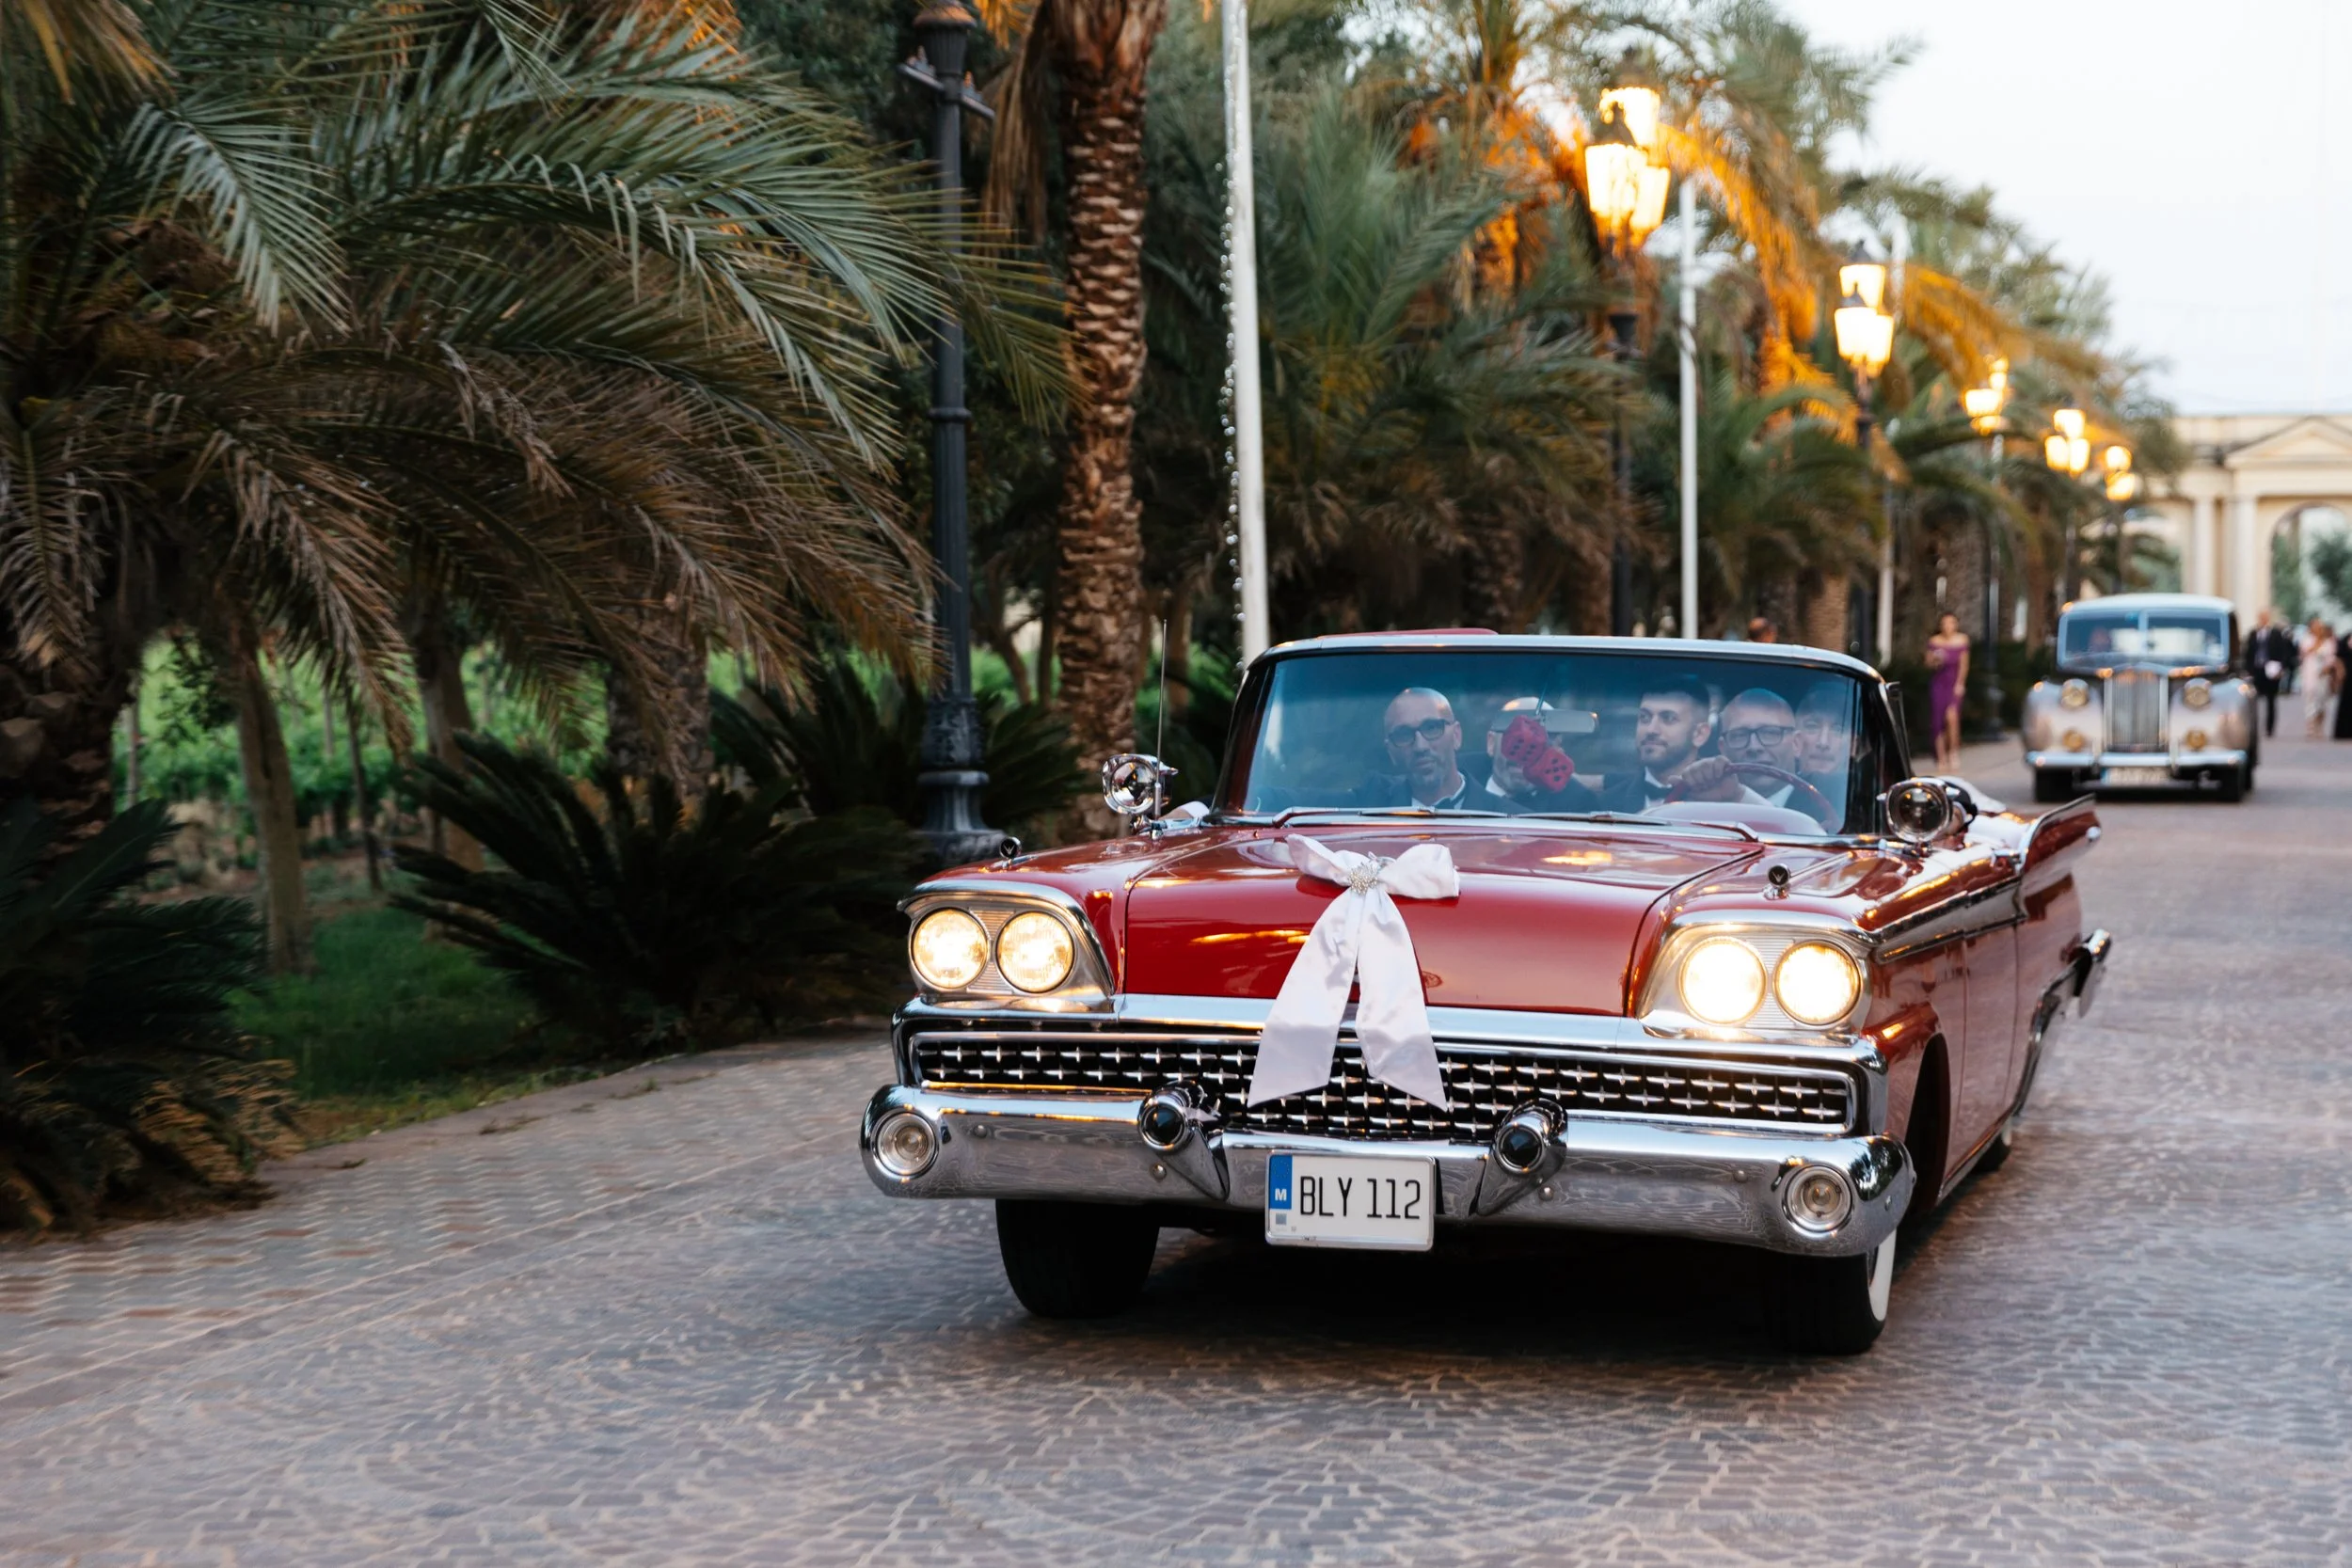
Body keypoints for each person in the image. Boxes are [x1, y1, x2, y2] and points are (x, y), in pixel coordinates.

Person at [1581, 677, 1756, 813]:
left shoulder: (1728, 801)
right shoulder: (1603, 804)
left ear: (1700, 734)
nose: (1651, 729)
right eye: (1644, 717)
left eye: (1668, 718)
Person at [1356, 688, 1486, 809]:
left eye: (1431, 728)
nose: (1420, 746)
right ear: (1390, 751)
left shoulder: (1502, 815)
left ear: (1456, 735)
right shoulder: (1370, 804)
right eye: (1404, 734)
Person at [1481, 698, 1580, 813]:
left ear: (1557, 749)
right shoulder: (1460, 788)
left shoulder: (1576, 805)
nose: (1525, 753)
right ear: (1491, 743)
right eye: (1518, 739)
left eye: (1540, 738)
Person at [1795, 682, 1858, 828]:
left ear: (1853, 745)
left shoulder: (1866, 806)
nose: (1823, 742)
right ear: (1795, 741)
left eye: (1838, 729)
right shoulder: (1775, 797)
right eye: (1812, 726)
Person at [1925, 611, 1970, 772]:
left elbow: (1964, 664)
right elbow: (1928, 663)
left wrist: (1960, 683)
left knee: (1952, 717)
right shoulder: (1935, 641)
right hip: (1938, 683)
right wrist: (1936, 660)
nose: (1948, 626)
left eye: (1951, 623)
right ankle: (1941, 757)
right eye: (1945, 623)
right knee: (1938, 720)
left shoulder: (1962, 640)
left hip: (1953, 683)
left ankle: (1954, 752)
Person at [2246, 608, 2297, 739]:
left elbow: (2283, 652)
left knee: (2271, 700)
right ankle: (2253, 727)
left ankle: (2269, 728)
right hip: (2257, 670)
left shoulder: (2276, 633)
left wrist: (2281, 668)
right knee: (2253, 700)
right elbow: (2248, 653)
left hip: (2271, 671)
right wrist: (2248, 670)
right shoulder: (2253, 633)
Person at [2299, 618, 2339, 737]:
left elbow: (2331, 657)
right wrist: (2317, 642)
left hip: (2323, 675)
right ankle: (2310, 725)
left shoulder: (2329, 642)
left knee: (2322, 701)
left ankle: (2320, 725)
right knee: (2310, 698)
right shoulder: (2307, 640)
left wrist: (2328, 668)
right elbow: (2305, 652)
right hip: (2310, 673)